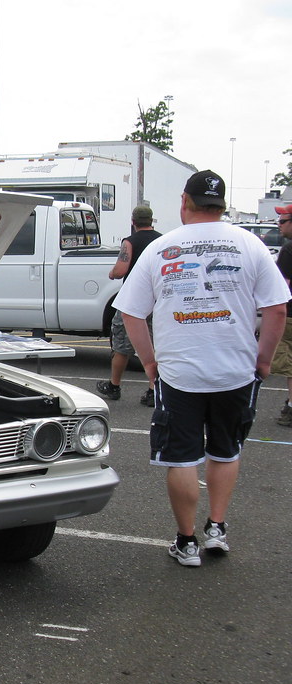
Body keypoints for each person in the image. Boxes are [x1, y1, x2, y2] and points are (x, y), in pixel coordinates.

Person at [114, 170, 290, 567]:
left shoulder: (163, 247)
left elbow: (130, 311)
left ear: (184, 202)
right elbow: (277, 308)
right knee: (226, 451)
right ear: (222, 205)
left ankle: (187, 540)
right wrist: (262, 361)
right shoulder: (252, 244)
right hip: (236, 371)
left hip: (179, 373)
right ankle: (217, 528)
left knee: (181, 457)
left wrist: (149, 362)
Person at [96, 206, 162, 406]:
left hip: (133, 301)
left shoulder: (130, 242)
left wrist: (112, 273)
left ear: (133, 221)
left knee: (122, 346)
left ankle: (114, 386)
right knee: (153, 345)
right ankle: (153, 390)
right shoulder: (162, 241)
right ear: (152, 220)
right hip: (157, 300)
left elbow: (121, 269)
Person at [272, 204, 292, 426]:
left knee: (289, 364)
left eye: (283, 221)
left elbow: (282, 288)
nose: (279, 225)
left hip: (291, 316)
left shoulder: (289, 250)